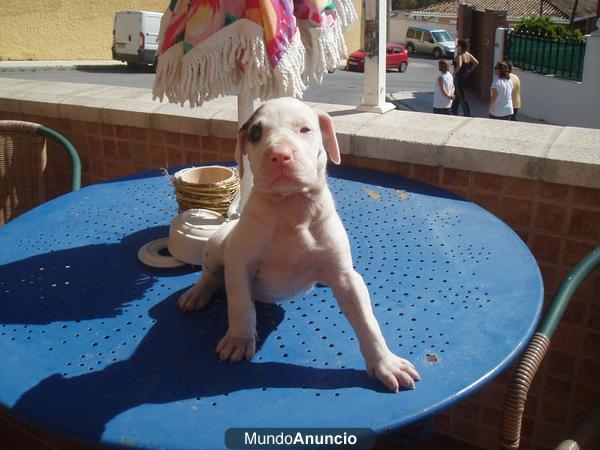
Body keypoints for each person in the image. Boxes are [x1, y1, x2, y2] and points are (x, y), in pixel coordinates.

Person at [451, 39, 479, 117]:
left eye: (458, 46)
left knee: (461, 95)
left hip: (459, 77)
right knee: (457, 94)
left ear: (461, 46)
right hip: (465, 77)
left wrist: (453, 74)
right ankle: (454, 110)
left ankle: (467, 113)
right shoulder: (468, 54)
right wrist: (469, 70)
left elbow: (459, 65)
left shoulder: (460, 56)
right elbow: (476, 62)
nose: (457, 47)